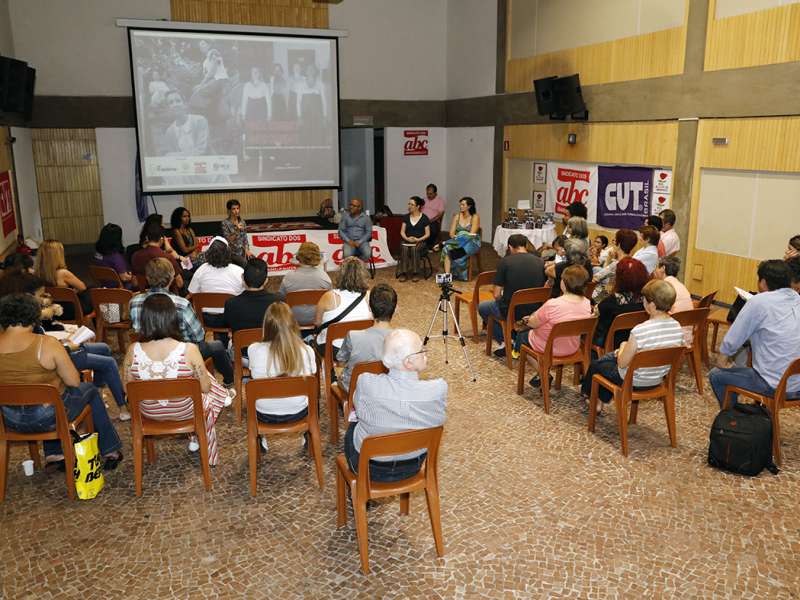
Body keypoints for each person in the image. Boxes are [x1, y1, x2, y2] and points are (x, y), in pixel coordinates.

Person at [0, 294, 123, 470]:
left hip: (8, 420)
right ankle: (109, 450)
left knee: (50, 396)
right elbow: (73, 381)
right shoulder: (47, 344)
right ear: (34, 315)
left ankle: (54, 453)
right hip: (49, 417)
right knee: (88, 390)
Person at [0, 272, 131, 421]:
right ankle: (120, 406)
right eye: (40, 295)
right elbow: (71, 379)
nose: (44, 298)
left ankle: (101, 392)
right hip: (52, 365)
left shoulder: (14, 326)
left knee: (104, 348)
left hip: (10, 414)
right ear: (28, 298)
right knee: (107, 363)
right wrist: (67, 347)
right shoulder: (29, 325)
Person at [123, 294, 227, 464]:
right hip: (185, 411)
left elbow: (127, 389)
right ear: (173, 318)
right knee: (207, 391)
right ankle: (205, 447)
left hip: (148, 412)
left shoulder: (132, 350)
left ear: (144, 320)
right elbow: (205, 388)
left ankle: (195, 435)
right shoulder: (189, 350)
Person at [345, 328, 447, 482]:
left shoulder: (366, 382)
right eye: (421, 350)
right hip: (413, 464)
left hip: (369, 467)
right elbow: (438, 420)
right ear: (408, 362)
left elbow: (358, 407)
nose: (425, 353)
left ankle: (360, 494)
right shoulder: (438, 389)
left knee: (354, 421)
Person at [130, 258, 235, 398]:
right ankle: (229, 381)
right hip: (181, 353)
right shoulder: (181, 304)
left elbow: (137, 330)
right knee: (217, 346)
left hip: (147, 352)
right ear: (172, 276)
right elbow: (198, 335)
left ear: (147, 277)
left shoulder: (135, 301)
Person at [709, 260, 800, 408]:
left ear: (763, 282)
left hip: (774, 386)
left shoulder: (759, 301)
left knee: (717, 375)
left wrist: (722, 359)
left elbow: (734, 338)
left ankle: (732, 418)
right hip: (797, 384)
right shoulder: (797, 299)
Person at [581, 279, 684, 408]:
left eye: (644, 299)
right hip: (657, 379)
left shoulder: (640, 330)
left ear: (651, 305)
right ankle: (600, 400)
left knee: (597, 365)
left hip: (632, 380)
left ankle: (593, 399)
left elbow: (622, 363)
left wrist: (623, 346)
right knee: (609, 358)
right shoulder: (677, 327)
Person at [248, 302, 317, 452]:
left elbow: (254, 374)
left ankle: (260, 438)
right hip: (299, 412)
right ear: (293, 325)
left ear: (266, 326)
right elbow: (313, 374)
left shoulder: (253, 350)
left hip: (264, 414)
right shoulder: (307, 351)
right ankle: (308, 435)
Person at [520, 266, 593, 387]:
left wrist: (527, 320)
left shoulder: (553, 304)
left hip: (549, 348)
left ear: (564, 283)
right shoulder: (586, 303)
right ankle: (542, 373)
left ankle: (543, 372)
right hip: (572, 347)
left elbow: (533, 323)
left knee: (522, 338)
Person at [478, 234, 546, 357]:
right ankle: (514, 337)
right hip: (535, 310)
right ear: (525, 245)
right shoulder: (541, 262)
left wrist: (503, 298)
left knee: (483, 307)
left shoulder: (505, 262)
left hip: (512, 310)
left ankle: (507, 341)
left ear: (510, 247)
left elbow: (496, 294)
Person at [337, 283, 397, 394]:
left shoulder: (353, 336)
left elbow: (340, 363)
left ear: (369, 307)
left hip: (357, 389)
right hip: (389, 388)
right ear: (396, 309)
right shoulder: (404, 340)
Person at [187, 237, 245, 346]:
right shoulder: (239, 271)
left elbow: (192, 293)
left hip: (206, 319)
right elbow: (245, 295)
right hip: (230, 320)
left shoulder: (201, 270)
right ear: (228, 252)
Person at [314, 257, 372, 355]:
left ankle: (327, 368)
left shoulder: (329, 296)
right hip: (360, 347)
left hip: (333, 349)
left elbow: (317, 322)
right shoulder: (368, 296)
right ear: (363, 275)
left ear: (340, 274)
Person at [593, 257, 649, 351]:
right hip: (638, 344)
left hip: (610, 345)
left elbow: (598, 319)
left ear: (619, 278)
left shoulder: (610, 302)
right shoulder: (648, 302)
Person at [34, 239, 94, 319]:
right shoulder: (63, 273)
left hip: (52, 311)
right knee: (93, 291)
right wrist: (72, 292)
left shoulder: (36, 274)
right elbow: (82, 287)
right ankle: (100, 325)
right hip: (71, 311)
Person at [278, 241, 332, 325]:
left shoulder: (288, 277)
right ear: (317, 257)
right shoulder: (325, 278)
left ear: (299, 257)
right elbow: (330, 303)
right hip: (318, 319)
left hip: (293, 320)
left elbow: (280, 300)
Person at [224, 258, 280, 338]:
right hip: (270, 348)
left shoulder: (231, 304)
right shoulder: (279, 302)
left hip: (241, 349)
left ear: (242, 278)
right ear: (266, 281)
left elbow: (228, 326)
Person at [131, 221, 185, 291]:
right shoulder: (167, 257)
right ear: (161, 239)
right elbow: (179, 283)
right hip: (167, 297)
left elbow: (134, 283)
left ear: (147, 238)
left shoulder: (135, 256)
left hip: (144, 295)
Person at [653, 255, 694, 344]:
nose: (654, 270)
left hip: (672, 336)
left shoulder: (665, 287)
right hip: (686, 333)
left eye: (656, 267)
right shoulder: (680, 285)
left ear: (663, 268)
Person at [441, 197, 481, 281]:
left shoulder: (475, 217)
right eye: (460, 204)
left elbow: (471, 234)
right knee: (446, 248)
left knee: (457, 252)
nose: (460, 206)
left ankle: (460, 273)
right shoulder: (457, 216)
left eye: (463, 205)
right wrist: (455, 238)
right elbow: (451, 233)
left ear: (469, 206)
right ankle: (447, 277)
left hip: (471, 242)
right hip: (458, 240)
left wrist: (459, 238)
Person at [593, 228, 639, 297]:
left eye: (615, 240)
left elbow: (596, 278)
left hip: (607, 297)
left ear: (619, 244)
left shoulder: (617, 264)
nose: (613, 242)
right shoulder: (633, 262)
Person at [398, 196, 431, 282]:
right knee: (404, 247)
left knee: (414, 248)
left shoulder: (424, 218)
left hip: (421, 241)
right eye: (409, 204)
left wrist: (418, 239)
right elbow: (402, 232)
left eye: (412, 204)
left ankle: (416, 273)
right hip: (407, 241)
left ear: (418, 206)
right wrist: (407, 238)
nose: (409, 206)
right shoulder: (406, 217)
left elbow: (427, 234)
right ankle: (403, 273)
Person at [93, 223, 134, 288]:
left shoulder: (97, 253)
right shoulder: (116, 257)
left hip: (104, 286)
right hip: (119, 289)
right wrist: (133, 276)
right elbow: (125, 278)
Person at [221, 199, 251, 268]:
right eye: (233, 209)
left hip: (242, 252)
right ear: (229, 211)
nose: (236, 211)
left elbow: (245, 238)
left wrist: (247, 250)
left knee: (253, 264)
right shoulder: (225, 223)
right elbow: (228, 240)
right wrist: (236, 230)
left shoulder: (242, 222)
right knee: (244, 265)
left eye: (237, 208)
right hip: (232, 253)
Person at [422, 183, 445, 250]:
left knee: (433, 229)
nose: (428, 195)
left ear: (435, 193)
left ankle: (429, 245)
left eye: (430, 194)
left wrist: (430, 220)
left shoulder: (440, 201)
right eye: (427, 193)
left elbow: (440, 214)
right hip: (422, 220)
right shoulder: (423, 200)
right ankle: (417, 244)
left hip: (433, 221)